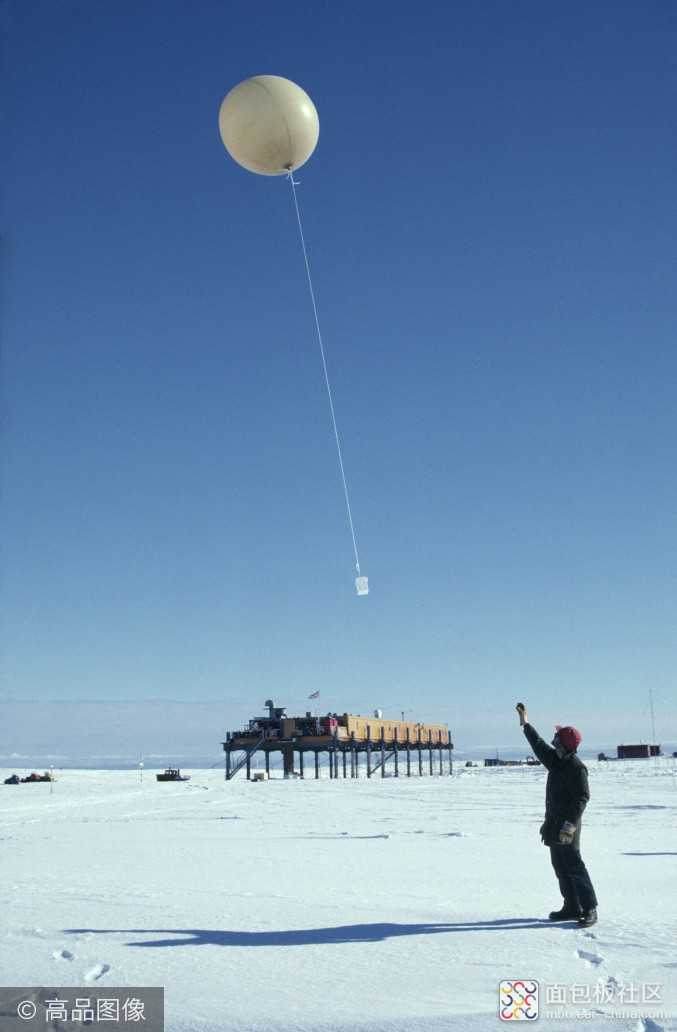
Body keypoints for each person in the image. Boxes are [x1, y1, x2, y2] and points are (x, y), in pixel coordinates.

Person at [516, 702, 598, 927]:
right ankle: (571, 906)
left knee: (574, 865)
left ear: (564, 744)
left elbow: (582, 798)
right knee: (560, 866)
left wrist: (569, 827)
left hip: (568, 825)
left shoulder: (577, 768)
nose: (553, 741)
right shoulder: (556, 761)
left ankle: (589, 908)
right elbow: (539, 745)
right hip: (553, 822)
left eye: (557, 738)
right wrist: (525, 724)